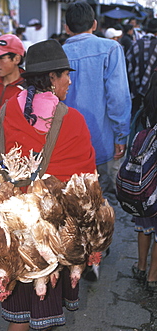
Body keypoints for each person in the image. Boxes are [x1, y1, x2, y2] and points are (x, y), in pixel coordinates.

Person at [0, 39, 96, 331]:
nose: (70, 81)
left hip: (14, 224)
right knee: (41, 286)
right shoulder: (71, 120)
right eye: (65, 75)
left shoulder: (7, 111)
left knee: (29, 287)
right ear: (51, 78)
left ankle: (42, 324)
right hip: (50, 228)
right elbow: (85, 178)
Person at [62, 2, 131, 208]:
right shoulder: (110, 49)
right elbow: (118, 97)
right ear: (94, 24)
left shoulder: (58, 53)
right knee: (100, 205)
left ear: (67, 27)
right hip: (101, 140)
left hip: (66, 145)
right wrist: (121, 135)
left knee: (73, 205)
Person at [130, 70, 157, 293]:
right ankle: (152, 276)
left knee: (144, 223)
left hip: (145, 182)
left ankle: (140, 266)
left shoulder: (143, 112)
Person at [126, 18, 157, 119]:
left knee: (135, 117)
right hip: (154, 92)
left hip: (135, 88)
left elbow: (128, 64)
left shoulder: (136, 44)